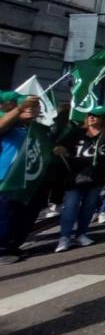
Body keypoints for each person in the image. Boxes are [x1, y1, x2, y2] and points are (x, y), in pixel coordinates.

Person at [52, 106, 105, 252]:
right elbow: (62, 146)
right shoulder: (77, 132)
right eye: (90, 115)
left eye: (96, 116)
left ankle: (82, 234)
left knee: (89, 206)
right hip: (75, 175)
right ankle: (64, 237)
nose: (92, 118)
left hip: (97, 175)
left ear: (104, 119)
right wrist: (60, 150)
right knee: (70, 205)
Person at [0, 94, 42, 264]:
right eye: (27, 105)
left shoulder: (39, 129)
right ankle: (1, 249)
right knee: (4, 215)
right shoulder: (10, 125)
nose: (31, 108)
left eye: (35, 105)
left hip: (30, 180)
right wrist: (19, 108)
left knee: (23, 216)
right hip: (7, 178)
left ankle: (13, 245)